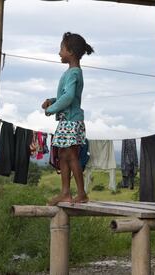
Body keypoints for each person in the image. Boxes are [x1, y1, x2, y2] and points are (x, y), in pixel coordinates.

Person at [41, 32, 94, 205]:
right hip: (67, 121)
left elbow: (69, 97)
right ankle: (65, 193)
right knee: (63, 156)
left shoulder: (73, 73)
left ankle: (81, 193)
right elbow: (66, 96)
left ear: (70, 51)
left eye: (61, 49)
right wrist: (52, 101)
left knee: (71, 156)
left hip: (71, 121)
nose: (59, 52)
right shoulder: (72, 72)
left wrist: (52, 109)